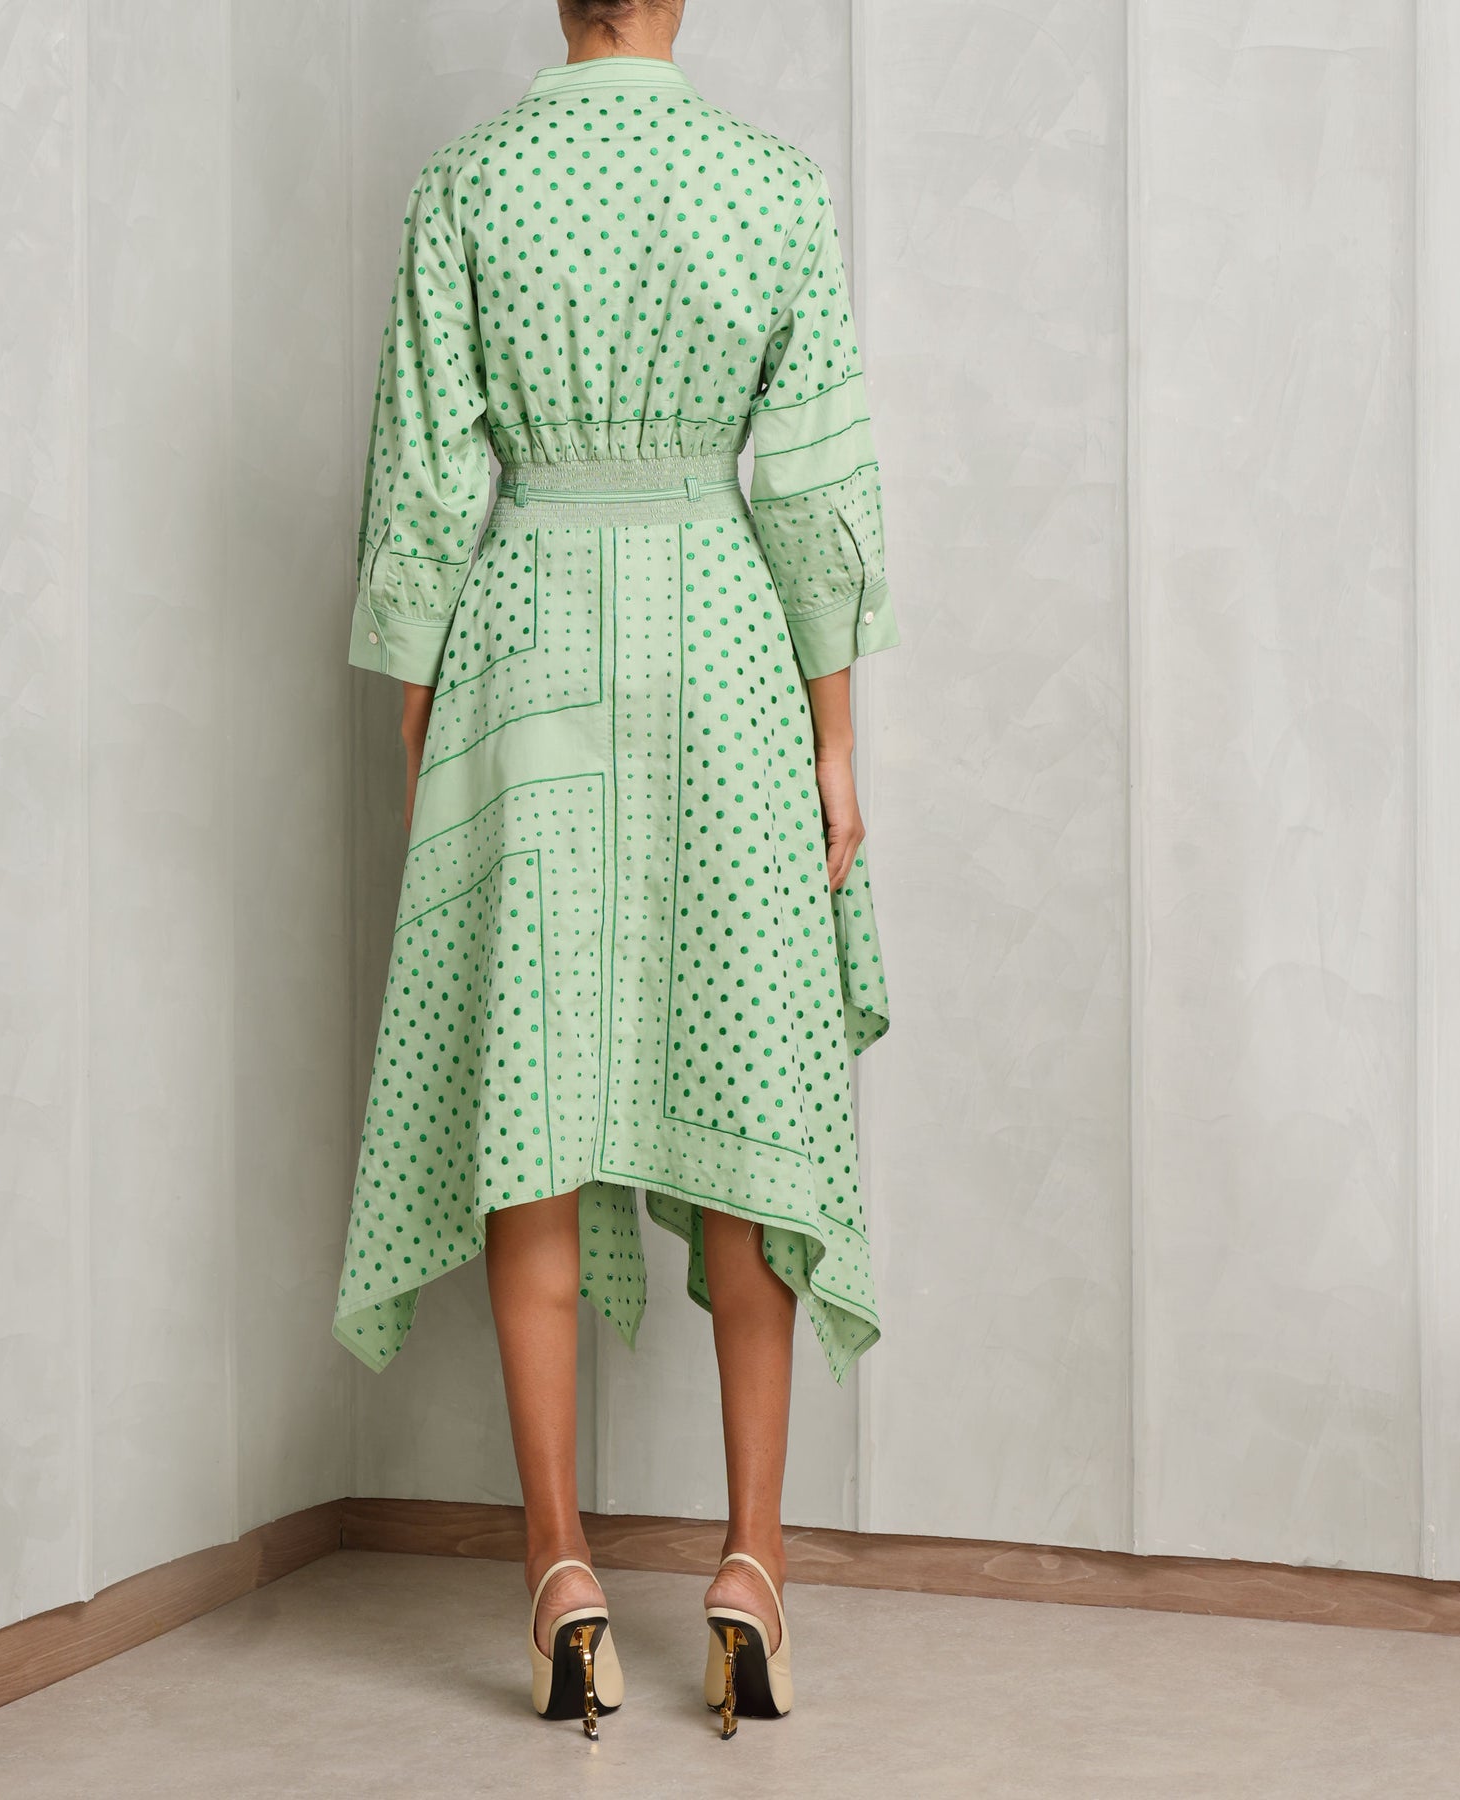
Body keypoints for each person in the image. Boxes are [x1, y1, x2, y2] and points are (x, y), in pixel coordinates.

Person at [333, 0, 898, 1740]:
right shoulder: (772, 184)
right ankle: (752, 1569)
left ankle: (562, 1574)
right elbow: (813, 484)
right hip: (723, 642)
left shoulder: (467, 185)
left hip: (523, 637)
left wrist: (420, 724)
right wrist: (835, 735)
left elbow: (427, 481)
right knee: (743, 1077)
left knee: (533, 1102)